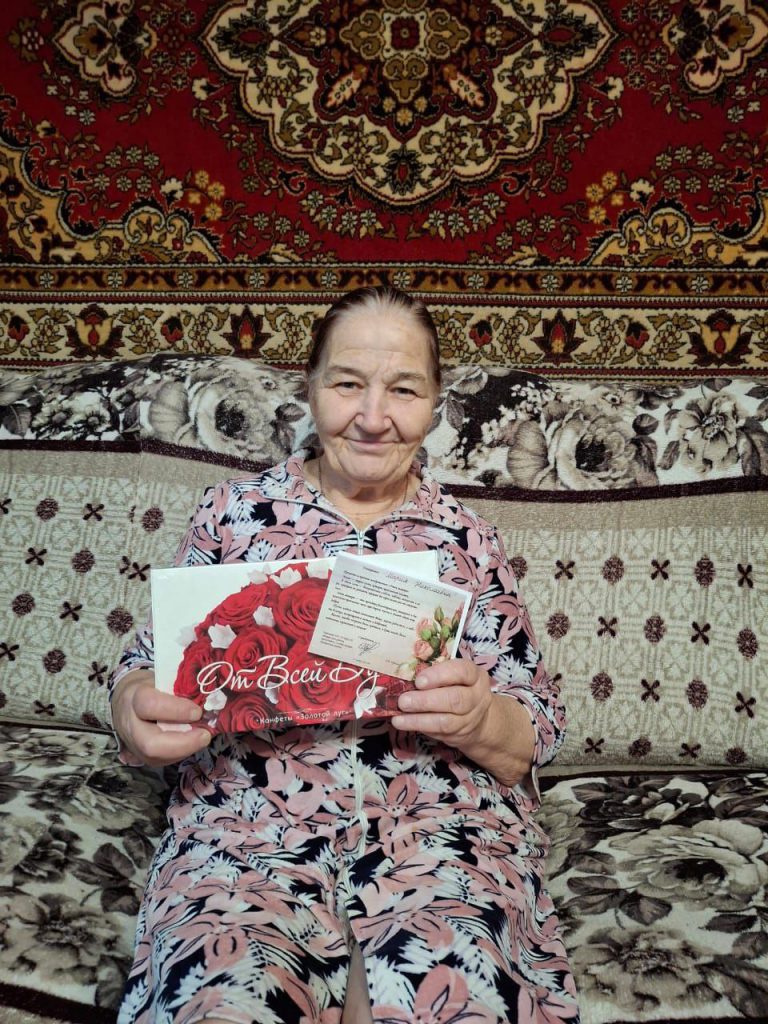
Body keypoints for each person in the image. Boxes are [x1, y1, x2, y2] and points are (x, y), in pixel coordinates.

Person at [110, 286, 579, 1024]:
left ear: (435, 404)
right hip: (247, 828)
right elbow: (145, 666)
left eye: (404, 390)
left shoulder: (469, 538)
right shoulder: (229, 514)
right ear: (310, 388)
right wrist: (135, 709)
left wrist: (482, 718)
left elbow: (535, 728)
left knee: (451, 993)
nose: (372, 417)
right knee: (220, 997)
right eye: (348, 384)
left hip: (442, 828)